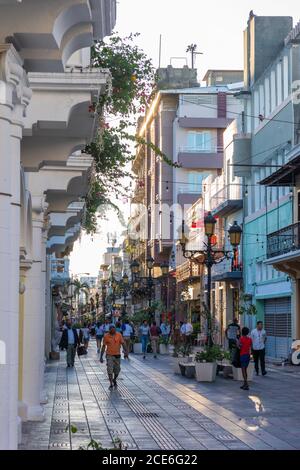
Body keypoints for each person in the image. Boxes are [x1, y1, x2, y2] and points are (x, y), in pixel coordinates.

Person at [100, 324, 128, 389]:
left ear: (115, 329)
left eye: (114, 329)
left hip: (117, 355)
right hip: (109, 355)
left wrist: (126, 352)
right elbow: (103, 346)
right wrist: (101, 356)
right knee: (109, 369)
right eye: (111, 329)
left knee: (117, 370)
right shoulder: (106, 336)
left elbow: (123, 343)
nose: (113, 330)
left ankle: (114, 379)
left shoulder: (119, 335)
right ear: (109, 330)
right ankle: (111, 383)